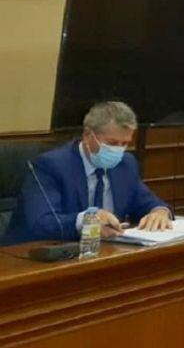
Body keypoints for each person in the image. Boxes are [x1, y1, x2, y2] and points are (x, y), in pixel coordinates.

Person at [3, 101, 172, 244]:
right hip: (40, 256)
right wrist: (89, 219)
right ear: (87, 135)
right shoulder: (51, 166)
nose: (118, 151)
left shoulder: (125, 164)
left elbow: (148, 201)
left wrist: (159, 211)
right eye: (112, 143)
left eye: (124, 144)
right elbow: (41, 223)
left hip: (104, 252)